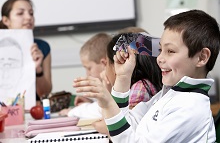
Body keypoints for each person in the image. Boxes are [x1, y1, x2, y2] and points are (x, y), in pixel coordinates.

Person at [73, 9, 219, 142]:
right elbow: (127, 124)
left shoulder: (189, 107)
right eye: (160, 50)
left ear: (201, 57)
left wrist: (108, 102)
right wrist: (123, 78)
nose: (160, 58)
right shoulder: (169, 95)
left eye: (170, 51)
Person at [92, 32, 163, 135]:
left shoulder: (140, 88)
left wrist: (107, 128)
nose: (105, 70)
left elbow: (123, 128)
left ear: (120, 62)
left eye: (107, 64)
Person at [0, 0, 52, 103]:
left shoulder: (42, 47)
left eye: (31, 13)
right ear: (6, 20)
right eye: (20, 13)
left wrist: (38, 70)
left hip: (32, 109)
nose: (28, 17)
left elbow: (45, 93)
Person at [59, 32, 112, 118]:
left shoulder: (115, 83)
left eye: (89, 68)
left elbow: (101, 111)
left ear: (104, 63)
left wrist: (73, 111)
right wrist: (91, 103)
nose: (87, 73)